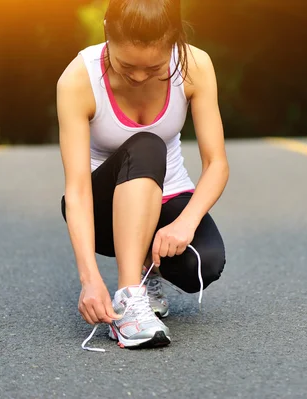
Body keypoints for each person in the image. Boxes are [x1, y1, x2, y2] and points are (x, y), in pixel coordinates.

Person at [56, 0, 228, 350]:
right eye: (126, 65)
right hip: (104, 210)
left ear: (174, 43)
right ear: (107, 31)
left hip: (167, 199)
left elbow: (217, 163)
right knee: (148, 144)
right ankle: (128, 300)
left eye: (153, 68)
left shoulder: (195, 65)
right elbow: (76, 191)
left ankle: (149, 268)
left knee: (204, 263)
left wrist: (186, 222)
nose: (137, 77)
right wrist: (89, 279)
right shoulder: (79, 78)